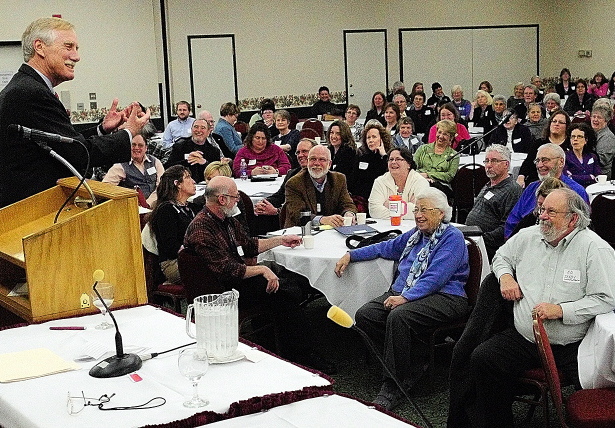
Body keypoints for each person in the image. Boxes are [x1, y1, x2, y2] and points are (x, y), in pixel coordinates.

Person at [455, 188, 615, 428]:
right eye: (542, 209)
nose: (542, 216)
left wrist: (562, 310)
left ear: (573, 218)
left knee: (594, 400)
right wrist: (505, 277)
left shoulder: (595, 249)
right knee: (483, 358)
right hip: (526, 336)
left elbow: (606, 298)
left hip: (573, 343)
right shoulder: (528, 237)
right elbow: (501, 257)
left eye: (551, 211)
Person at [335, 187, 470, 411]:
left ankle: (394, 386)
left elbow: (436, 277)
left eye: (424, 210)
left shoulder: (452, 237)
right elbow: (387, 247)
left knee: (399, 317)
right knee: (366, 315)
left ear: (441, 213)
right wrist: (352, 254)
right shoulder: (416, 235)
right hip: (408, 292)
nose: (418, 214)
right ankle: (413, 365)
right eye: (416, 209)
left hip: (446, 296)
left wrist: (405, 297)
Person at [183, 175, 335, 373]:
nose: (238, 201)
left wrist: (281, 240)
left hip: (235, 280)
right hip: (222, 291)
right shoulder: (202, 229)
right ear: (222, 200)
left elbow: (249, 245)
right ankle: (301, 355)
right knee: (285, 294)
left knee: (292, 285)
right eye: (235, 197)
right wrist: (263, 269)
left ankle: (278, 344)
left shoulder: (224, 220)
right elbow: (228, 270)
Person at [0, 17, 150, 208]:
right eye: (68, 46)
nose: (76, 56)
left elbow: (64, 144)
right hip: (31, 212)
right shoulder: (31, 93)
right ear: (39, 47)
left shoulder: (26, 87)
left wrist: (102, 129)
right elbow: (77, 154)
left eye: (77, 49)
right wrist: (129, 132)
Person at [505, 143, 589, 238]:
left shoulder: (576, 192)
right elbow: (513, 221)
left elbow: (581, 228)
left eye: (545, 160)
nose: (540, 165)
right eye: (537, 161)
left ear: (561, 162)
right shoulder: (531, 188)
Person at [465, 145, 523, 261]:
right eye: (486, 161)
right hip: (472, 238)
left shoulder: (512, 190)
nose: (488, 165)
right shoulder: (489, 185)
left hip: (487, 247)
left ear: (506, 164)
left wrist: (481, 239)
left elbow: (507, 227)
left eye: (494, 161)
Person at [147, 166, 198, 283]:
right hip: (174, 263)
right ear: (177, 184)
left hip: (192, 258)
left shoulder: (190, 208)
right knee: (215, 267)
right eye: (188, 177)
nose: (193, 181)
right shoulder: (165, 210)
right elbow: (171, 247)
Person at [284, 145, 356, 227]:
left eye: (322, 159)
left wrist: (349, 214)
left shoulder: (339, 179)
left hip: (331, 232)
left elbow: (347, 204)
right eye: (313, 159)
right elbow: (298, 214)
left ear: (329, 164)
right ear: (307, 162)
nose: (317, 163)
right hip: (301, 232)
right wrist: (322, 220)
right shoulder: (294, 183)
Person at [103, 122, 163, 207]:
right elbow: (105, 188)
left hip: (155, 207)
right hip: (133, 209)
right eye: (133, 145)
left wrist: (148, 204)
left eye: (140, 145)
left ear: (146, 148)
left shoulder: (155, 162)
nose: (136, 148)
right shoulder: (120, 166)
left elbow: (162, 187)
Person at [254, 138, 317, 217]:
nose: (300, 155)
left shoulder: (320, 176)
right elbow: (280, 196)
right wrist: (264, 203)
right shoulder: (292, 174)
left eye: (304, 151)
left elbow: (303, 208)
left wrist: (277, 211)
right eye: (298, 152)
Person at [368, 147, 430, 220]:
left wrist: (389, 205)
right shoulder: (380, 181)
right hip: (385, 226)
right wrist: (407, 207)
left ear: (408, 164)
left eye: (398, 159)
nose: (393, 162)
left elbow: (421, 211)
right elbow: (374, 211)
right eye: (391, 159)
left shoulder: (420, 182)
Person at [517, 109, 571, 187]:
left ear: (567, 126)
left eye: (561, 122)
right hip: (538, 180)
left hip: (563, 182)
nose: (556, 124)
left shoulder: (570, 144)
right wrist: (521, 176)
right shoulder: (539, 143)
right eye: (554, 121)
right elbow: (528, 162)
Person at [165, 119, 228, 183]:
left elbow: (218, 173)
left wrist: (204, 162)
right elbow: (168, 168)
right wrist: (188, 161)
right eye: (196, 127)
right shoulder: (179, 146)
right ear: (191, 129)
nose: (198, 130)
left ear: (208, 132)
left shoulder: (214, 151)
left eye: (203, 128)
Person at [414, 119, 459, 196]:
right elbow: (412, 167)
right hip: (419, 181)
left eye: (445, 134)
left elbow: (449, 176)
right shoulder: (422, 149)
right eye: (439, 132)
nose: (441, 136)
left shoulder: (454, 155)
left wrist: (428, 174)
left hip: (442, 187)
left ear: (451, 138)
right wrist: (422, 177)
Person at [352, 122, 392, 203]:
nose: (370, 140)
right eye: (368, 138)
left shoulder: (388, 157)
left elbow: (389, 174)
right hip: (361, 199)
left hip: (381, 198)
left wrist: (384, 154)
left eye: (374, 137)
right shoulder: (361, 157)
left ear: (382, 139)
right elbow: (354, 180)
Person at [564, 122, 601, 187]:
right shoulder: (564, 157)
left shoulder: (592, 156)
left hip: (592, 190)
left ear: (586, 140)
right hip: (573, 191)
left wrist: (575, 177)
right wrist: (589, 177)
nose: (575, 139)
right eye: (573, 137)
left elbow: (598, 177)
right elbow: (567, 178)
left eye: (579, 137)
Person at [327, 120, 357, 187]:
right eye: (331, 132)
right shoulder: (329, 150)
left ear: (344, 135)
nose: (333, 136)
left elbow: (340, 176)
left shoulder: (349, 152)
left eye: (338, 134)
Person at [590, 104, 615, 179]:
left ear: (606, 121)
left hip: (602, 176)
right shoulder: (593, 132)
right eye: (594, 116)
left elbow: (602, 161)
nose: (595, 120)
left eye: (599, 117)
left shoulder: (608, 137)